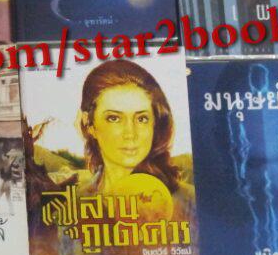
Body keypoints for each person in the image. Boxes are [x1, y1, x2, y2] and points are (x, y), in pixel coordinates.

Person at [77, 59, 195, 219]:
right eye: (114, 118)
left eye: (141, 119)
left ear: (155, 124)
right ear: (89, 124)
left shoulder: (189, 202)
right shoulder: (74, 205)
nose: (130, 133)